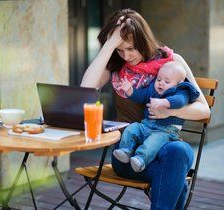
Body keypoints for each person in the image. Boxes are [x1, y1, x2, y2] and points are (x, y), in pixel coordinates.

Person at [80, 8, 210, 210]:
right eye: (119, 49)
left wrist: (170, 111)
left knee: (179, 151)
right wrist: (109, 45)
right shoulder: (116, 65)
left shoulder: (172, 63)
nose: (126, 56)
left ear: (143, 41)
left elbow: (204, 110)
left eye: (131, 48)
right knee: (174, 168)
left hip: (164, 146)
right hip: (128, 153)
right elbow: (85, 91)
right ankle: (176, 185)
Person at [113, 61, 200, 172]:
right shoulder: (152, 88)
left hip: (165, 131)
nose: (161, 83)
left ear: (179, 83)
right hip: (145, 125)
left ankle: (141, 159)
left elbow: (180, 101)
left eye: (167, 81)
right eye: (159, 79)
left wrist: (165, 102)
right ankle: (125, 150)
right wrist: (130, 91)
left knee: (153, 142)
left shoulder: (181, 91)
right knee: (132, 128)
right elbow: (141, 96)